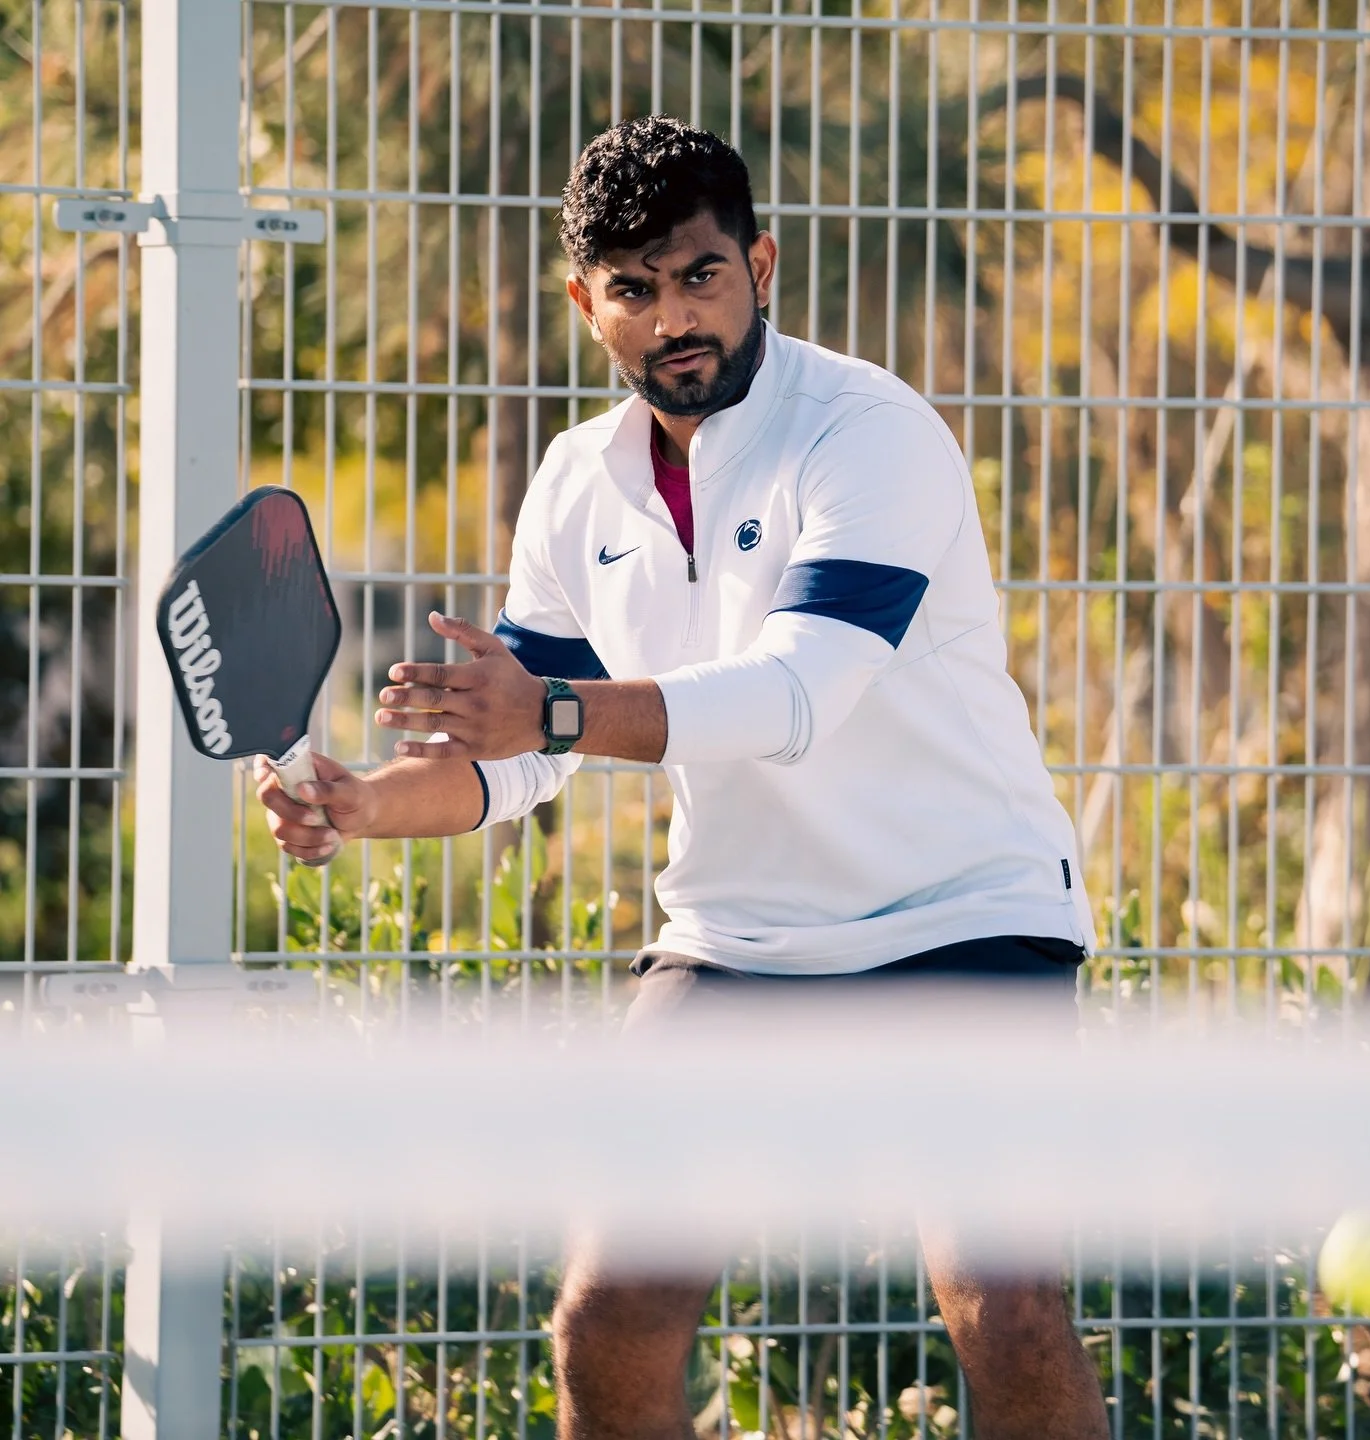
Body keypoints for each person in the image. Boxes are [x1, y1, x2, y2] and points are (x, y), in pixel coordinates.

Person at [256, 115, 1108, 1439]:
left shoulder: (871, 435)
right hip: (742, 936)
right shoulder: (576, 484)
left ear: (762, 265)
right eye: (635, 290)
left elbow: (794, 696)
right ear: (585, 299)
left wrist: (545, 708)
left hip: (965, 911)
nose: (673, 320)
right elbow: (516, 766)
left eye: (701, 275)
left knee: (1001, 1300)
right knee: (611, 1302)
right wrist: (365, 800)